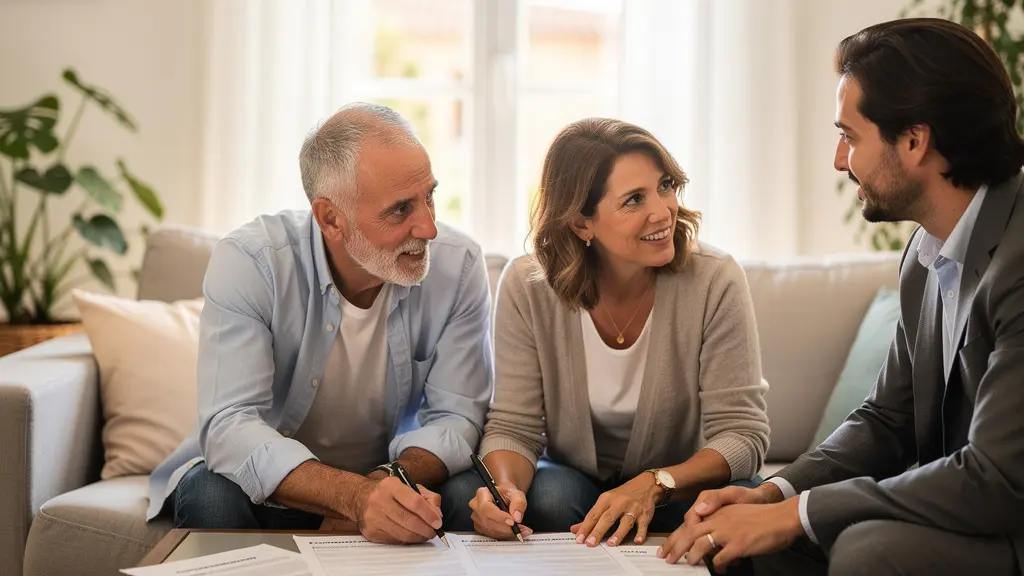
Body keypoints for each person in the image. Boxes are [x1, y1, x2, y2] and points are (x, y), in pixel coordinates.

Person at [659, 18, 1024, 575]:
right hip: (965, 512)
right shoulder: (926, 257)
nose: (838, 159)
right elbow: (886, 419)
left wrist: (799, 513)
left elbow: (996, 478)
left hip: (1008, 519)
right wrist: (775, 495)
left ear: (914, 140)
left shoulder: (1018, 259)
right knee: (739, 543)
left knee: (864, 551)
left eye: (850, 136)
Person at [145, 103, 494, 544]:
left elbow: (458, 416)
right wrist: (351, 497)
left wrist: (380, 488)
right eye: (401, 209)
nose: (428, 227)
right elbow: (230, 424)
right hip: (274, 486)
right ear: (331, 218)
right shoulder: (253, 262)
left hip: (394, 474)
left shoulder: (458, 266)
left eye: (430, 196)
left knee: (468, 490)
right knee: (209, 495)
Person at [447, 117, 770, 547]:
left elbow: (743, 434)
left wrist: (656, 483)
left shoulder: (715, 280)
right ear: (582, 224)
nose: (662, 211)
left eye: (666, 186)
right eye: (634, 200)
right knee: (533, 499)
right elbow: (515, 425)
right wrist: (505, 490)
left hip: (676, 482)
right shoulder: (527, 287)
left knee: (743, 501)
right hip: (573, 480)